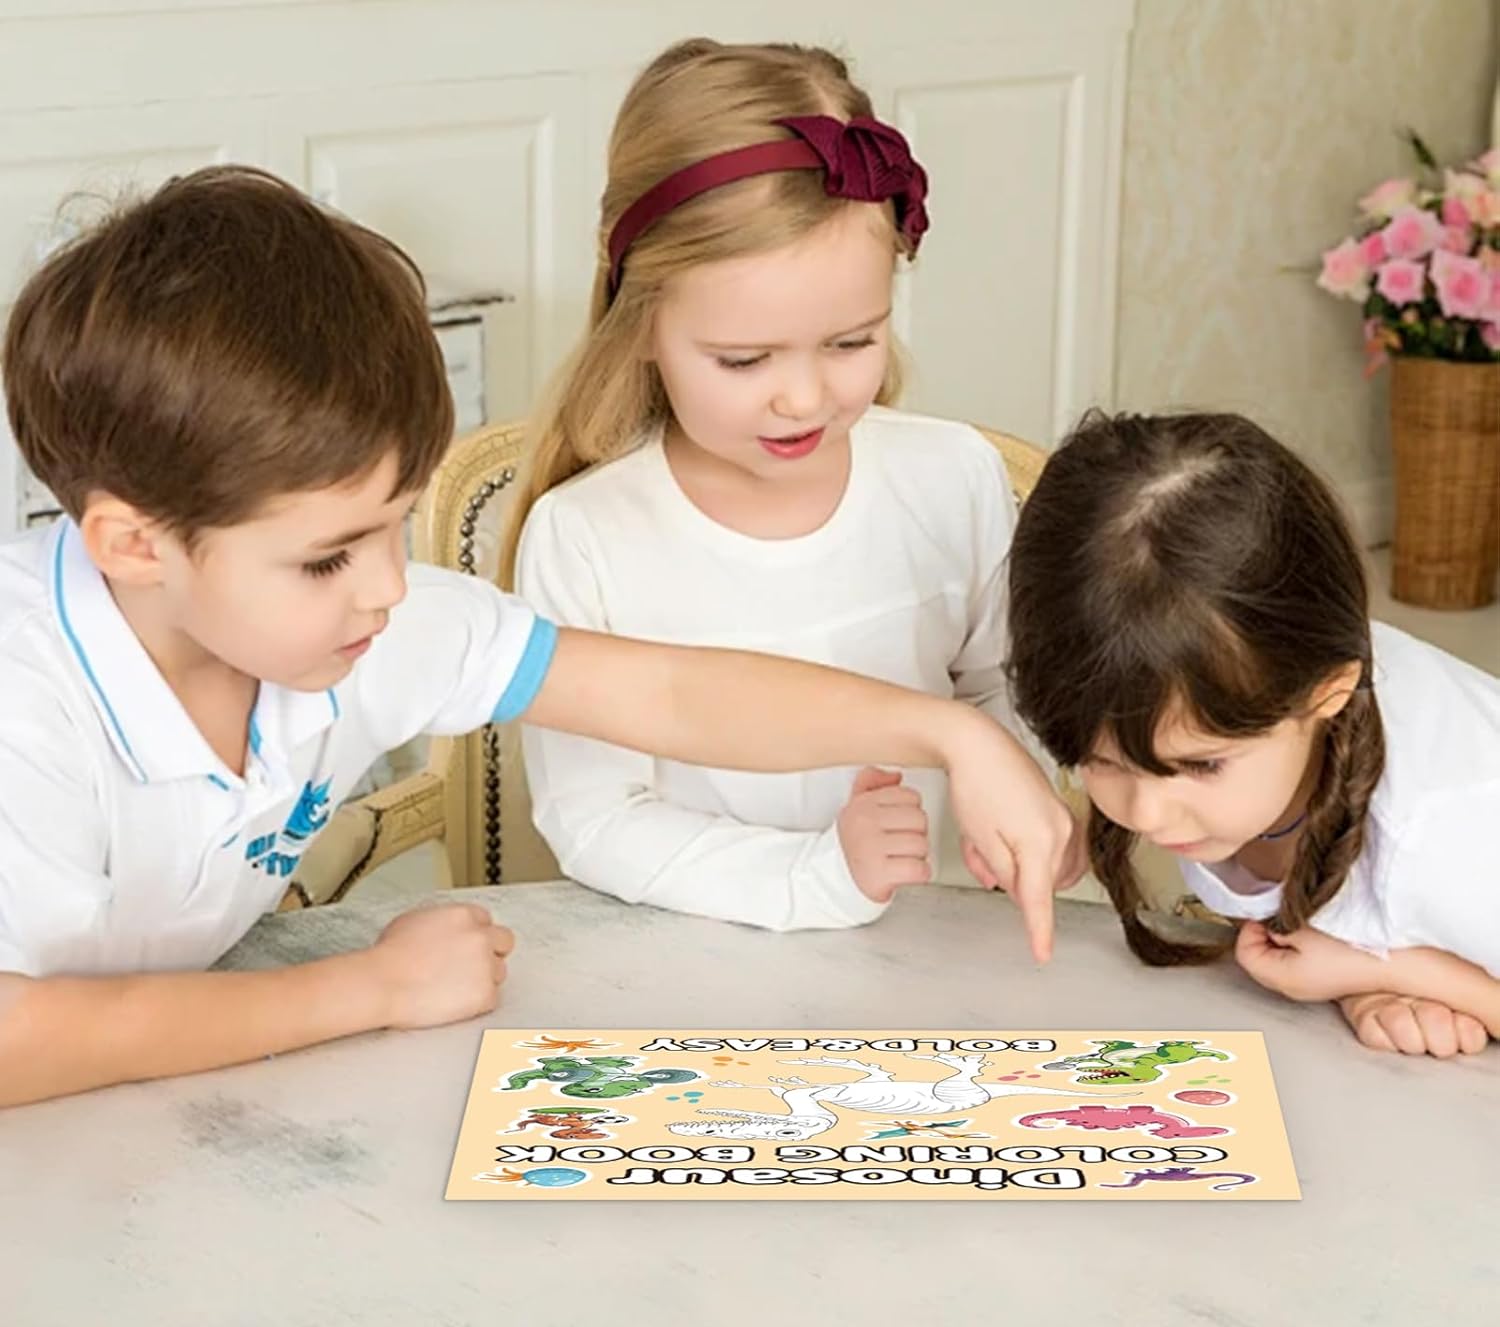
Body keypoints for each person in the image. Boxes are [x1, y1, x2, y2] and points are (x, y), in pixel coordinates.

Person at [0, 165, 1075, 1107]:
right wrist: (369, 988)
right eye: (328, 558)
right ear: (133, 546)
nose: (388, 587)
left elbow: (667, 696)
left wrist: (953, 735)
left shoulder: (369, 622)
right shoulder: (24, 700)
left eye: (396, 525)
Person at [509, 39, 1055, 931]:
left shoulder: (952, 477)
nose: (803, 398)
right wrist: (818, 876)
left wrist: (1025, 799)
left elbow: (1007, 689)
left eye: (851, 342)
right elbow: (596, 818)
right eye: (744, 359)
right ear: (638, 322)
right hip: (701, 961)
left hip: (942, 945)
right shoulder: (588, 536)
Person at [1005, 409, 1500, 1057]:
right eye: (1102, 761)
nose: (1146, 814)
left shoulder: (1447, 834)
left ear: (1328, 692)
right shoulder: (1255, 691)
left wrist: (1394, 971)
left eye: (1201, 765)